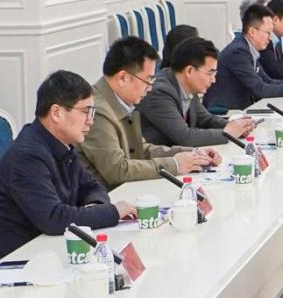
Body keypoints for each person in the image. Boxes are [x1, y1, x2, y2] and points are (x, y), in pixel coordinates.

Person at [0, 71, 136, 258]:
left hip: (50, 250)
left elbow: (92, 186)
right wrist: (112, 212)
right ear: (56, 113)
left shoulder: (61, 145)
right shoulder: (27, 156)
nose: (91, 121)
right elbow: (53, 218)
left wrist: (95, 207)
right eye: (86, 111)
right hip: (20, 261)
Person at [79, 37, 218, 188]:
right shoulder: (97, 110)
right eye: (147, 81)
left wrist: (194, 154)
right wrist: (175, 164)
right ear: (123, 77)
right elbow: (117, 170)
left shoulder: (121, 102)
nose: (150, 88)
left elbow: (142, 150)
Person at [139, 37, 255, 147]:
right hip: (160, 158)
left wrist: (237, 126)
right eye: (210, 73)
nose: (213, 80)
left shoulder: (186, 84)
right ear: (189, 71)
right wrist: (228, 133)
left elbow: (205, 120)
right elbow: (185, 137)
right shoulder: (159, 92)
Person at [204, 4, 283, 113]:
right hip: (226, 113)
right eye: (268, 33)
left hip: (242, 110)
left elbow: (267, 81)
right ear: (252, 32)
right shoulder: (238, 52)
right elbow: (260, 89)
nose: (270, 38)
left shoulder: (248, 48)